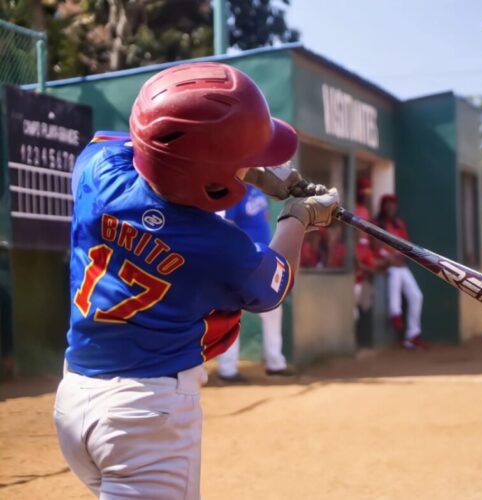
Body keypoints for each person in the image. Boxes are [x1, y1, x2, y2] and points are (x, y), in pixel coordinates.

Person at [53, 62, 339, 499]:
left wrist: (246, 171)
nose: (256, 167)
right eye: (247, 163)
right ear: (212, 181)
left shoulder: (97, 172)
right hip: (144, 419)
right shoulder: (216, 244)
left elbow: (121, 142)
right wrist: (299, 217)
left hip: (75, 402)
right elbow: (273, 286)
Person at [216, 185, 293, 381]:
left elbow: (265, 217)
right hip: (240, 261)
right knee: (232, 314)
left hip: (263, 261)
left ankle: (275, 363)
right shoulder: (231, 189)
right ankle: (227, 369)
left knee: (273, 310)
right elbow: (226, 224)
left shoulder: (258, 189)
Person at [376, 194, 426, 350]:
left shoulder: (399, 224)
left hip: (401, 264)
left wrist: (400, 259)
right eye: (388, 205)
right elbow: (375, 246)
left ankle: (412, 335)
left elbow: (406, 246)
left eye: (393, 205)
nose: (391, 208)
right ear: (383, 207)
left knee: (417, 296)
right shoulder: (377, 223)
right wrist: (390, 259)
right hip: (388, 263)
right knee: (395, 274)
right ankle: (395, 312)